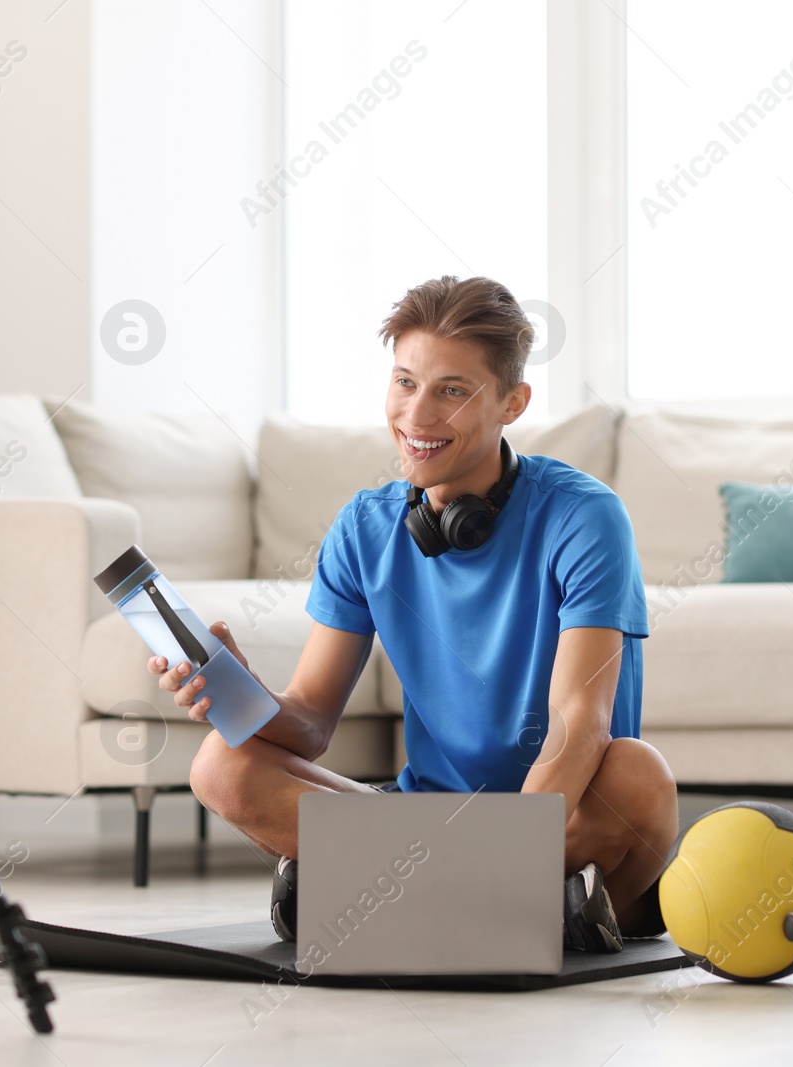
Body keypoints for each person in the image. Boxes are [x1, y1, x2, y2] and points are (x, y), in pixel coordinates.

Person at [149, 275, 677, 951]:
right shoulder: (363, 529)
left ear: (513, 402)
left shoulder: (584, 515)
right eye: (405, 382)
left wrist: (512, 845)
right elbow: (309, 723)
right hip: (426, 818)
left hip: (560, 814)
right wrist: (241, 692)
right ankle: (513, 905)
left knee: (639, 775)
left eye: (452, 390)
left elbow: (582, 721)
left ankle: (403, 892)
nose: (417, 415)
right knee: (221, 765)